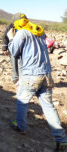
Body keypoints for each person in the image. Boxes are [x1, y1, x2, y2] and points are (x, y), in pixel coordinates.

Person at [7, 16, 67, 151]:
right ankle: (62, 140)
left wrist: (11, 37)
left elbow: (13, 52)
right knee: (49, 107)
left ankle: (21, 127)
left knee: (22, 101)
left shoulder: (22, 33)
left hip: (31, 74)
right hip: (46, 74)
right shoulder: (39, 32)